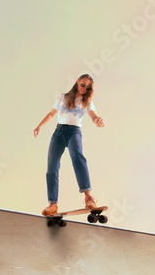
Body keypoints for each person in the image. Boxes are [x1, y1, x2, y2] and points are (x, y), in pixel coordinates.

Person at [34, 74, 106, 216]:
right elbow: (51, 113)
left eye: (88, 87)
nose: (84, 89)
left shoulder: (88, 101)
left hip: (74, 132)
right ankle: (53, 204)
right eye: (83, 84)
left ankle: (89, 197)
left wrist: (98, 120)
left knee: (77, 158)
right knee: (52, 166)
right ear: (78, 82)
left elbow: (93, 115)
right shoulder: (63, 97)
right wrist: (39, 126)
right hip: (58, 133)